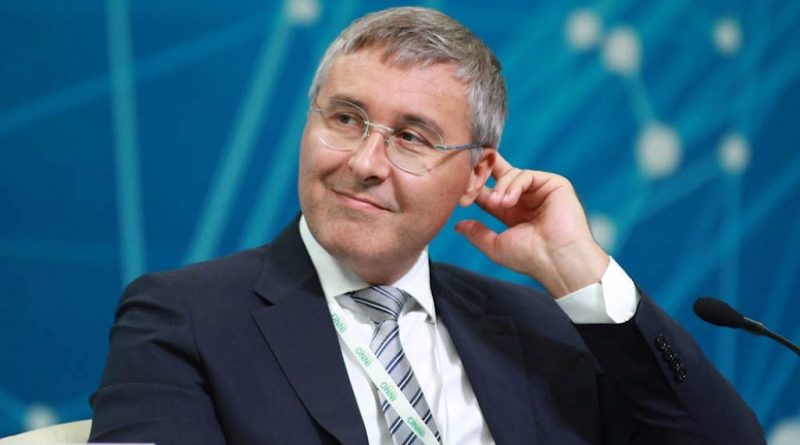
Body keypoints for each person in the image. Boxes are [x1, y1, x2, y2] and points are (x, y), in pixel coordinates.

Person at [89, 6, 765, 445]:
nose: (364, 163)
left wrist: (580, 273)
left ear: (477, 175)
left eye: (412, 138)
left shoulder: (540, 328)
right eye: (345, 118)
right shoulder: (185, 318)